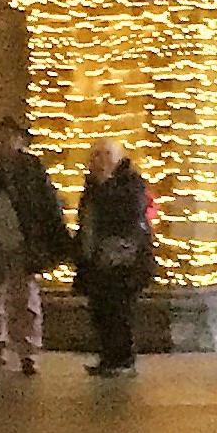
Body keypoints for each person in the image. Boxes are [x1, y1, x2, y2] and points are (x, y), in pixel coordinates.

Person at [0, 118, 73, 376]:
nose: (4, 141)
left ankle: (27, 351)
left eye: (9, 136)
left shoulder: (31, 167)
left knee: (24, 298)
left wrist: (54, 239)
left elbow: (47, 204)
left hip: (22, 241)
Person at [75, 141, 152, 373]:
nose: (100, 160)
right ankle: (108, 357)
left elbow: (126, 213)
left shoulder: (130, 183)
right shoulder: (92, 186)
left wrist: (105, 185)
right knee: (101, 311)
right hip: (97, 260)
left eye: (106, 155)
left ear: (118, 159)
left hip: (124, 261)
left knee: (120, 312)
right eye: (96, 155)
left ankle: (124, 359)